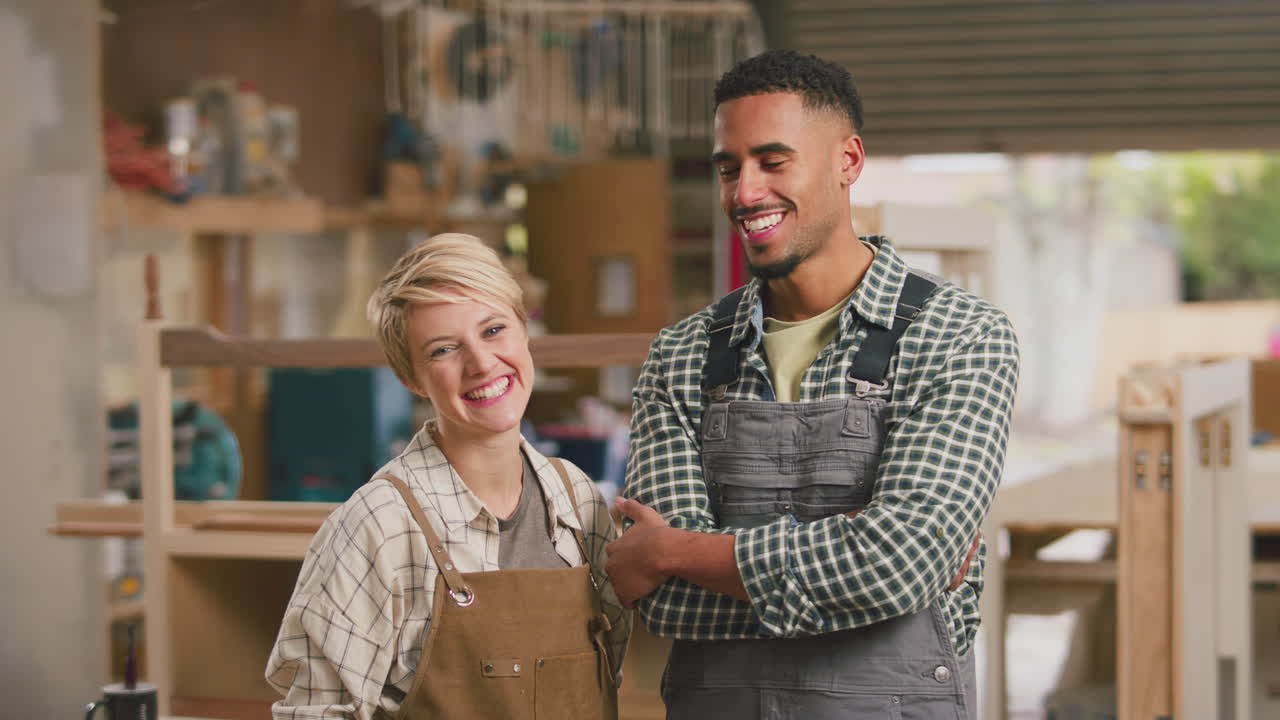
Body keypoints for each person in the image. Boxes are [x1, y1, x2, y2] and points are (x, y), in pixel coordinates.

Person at [606, 50, 1019, 719]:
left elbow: (897, 562)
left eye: (773, 161)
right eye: (728, 167)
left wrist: (678, 550)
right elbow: (668, 601)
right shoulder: (681, 355)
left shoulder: (959, 336)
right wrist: (861, 566)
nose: (743, 193)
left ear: (847, 162)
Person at [266, 233, 630, 719]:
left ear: (525, 331)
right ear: (410, 377)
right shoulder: (379, 525)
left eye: (494, 330)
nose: (481, 363)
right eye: (443, 350)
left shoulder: (578, 499)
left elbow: (606, 675)